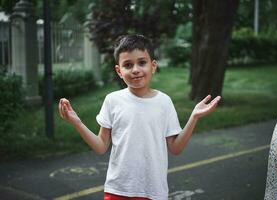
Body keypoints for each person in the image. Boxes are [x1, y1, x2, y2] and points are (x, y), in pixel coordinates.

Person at [58, 34, 221, 200]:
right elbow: (101, 147)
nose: (135, 69)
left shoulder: (164, 102)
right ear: (119, 71)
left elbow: (175, 148)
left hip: (153, 191)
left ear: (153, 66)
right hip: (118, 190)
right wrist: (77, 122)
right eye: (128, 65)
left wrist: (193, 117)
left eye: (142, 62)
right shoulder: (113, 100)